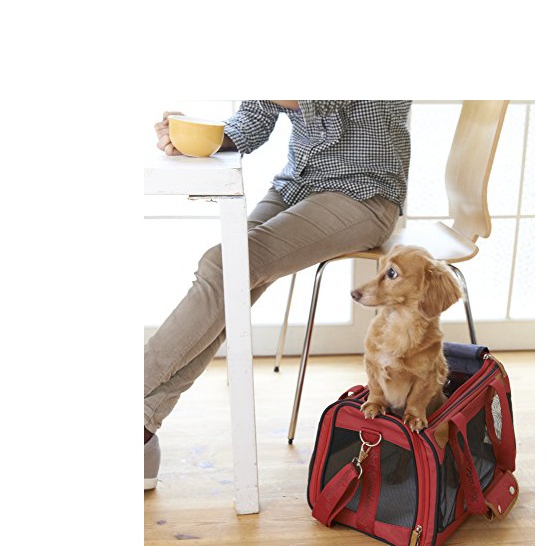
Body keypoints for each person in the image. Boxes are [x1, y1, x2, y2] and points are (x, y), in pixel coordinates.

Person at [145, 100, 412, 489]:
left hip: (364, 195)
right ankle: (143, 427)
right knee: (228, 276)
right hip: (297, 186)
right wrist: (198, 138)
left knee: (227, 266)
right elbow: (253, 120)